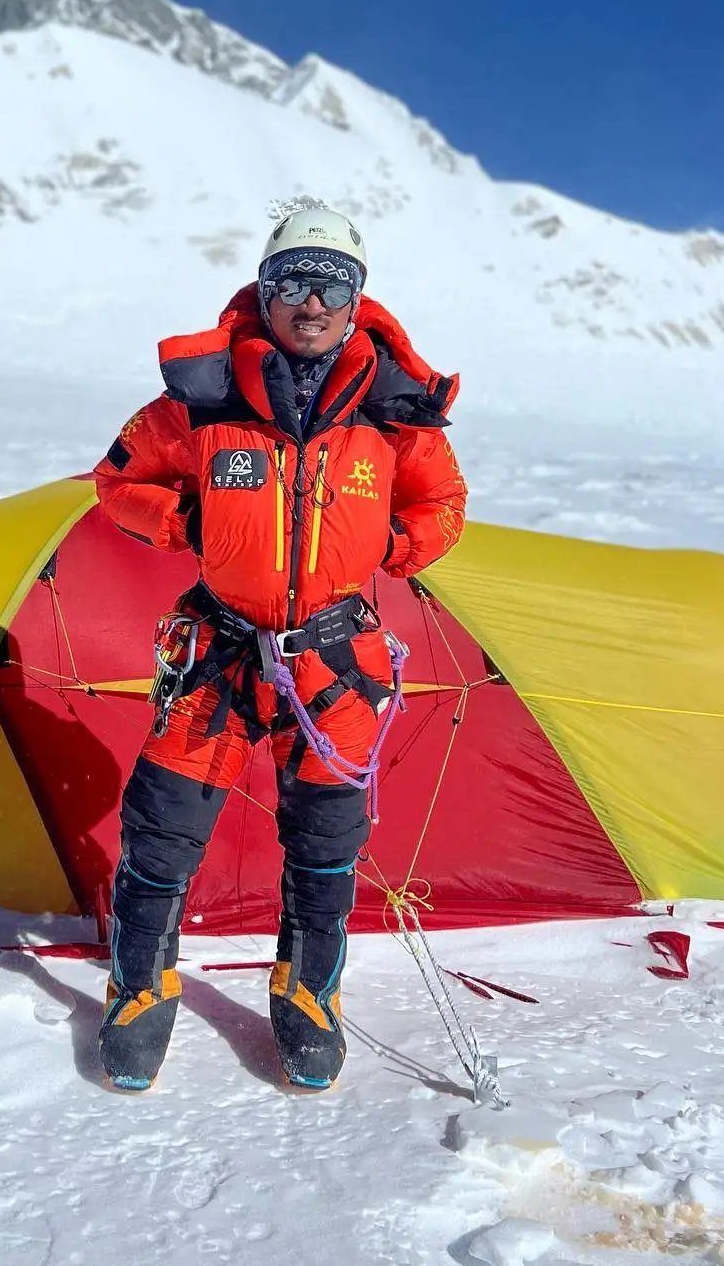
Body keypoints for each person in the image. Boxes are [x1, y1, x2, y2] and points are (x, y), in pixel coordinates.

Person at [93, 205, 467, 1091]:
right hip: (220, 646)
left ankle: (308, 991)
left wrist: (388, 548)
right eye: (292, 281)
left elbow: (442, 503)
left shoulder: (391, 409)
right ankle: (138, 989)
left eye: (330, 283)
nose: (311, 301)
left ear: (357, 296)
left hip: (334, 659)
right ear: (265, 292)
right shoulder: (204, 398)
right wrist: (181, 517)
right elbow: (119, 479)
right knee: (163, 829)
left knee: (327, 839)